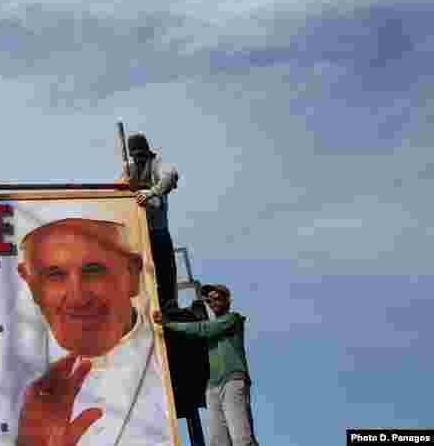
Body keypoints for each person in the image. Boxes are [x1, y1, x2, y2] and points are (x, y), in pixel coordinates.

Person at [17, 215, 172, 446]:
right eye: (55, 275)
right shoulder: (6, 383)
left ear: (132, 274)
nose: (77, 299)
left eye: (93, 271)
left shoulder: (169, 356)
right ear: (30, 283)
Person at [152, 284, 259, 446]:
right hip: (213, 387)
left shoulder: (232, 319)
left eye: (216, 299)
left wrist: (168, 323)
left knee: (241, 438)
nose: (213, 303)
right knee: (218, 441)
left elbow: (203, 329)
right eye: (209, 301)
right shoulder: (213, 326)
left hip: (231, 380)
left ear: (227, 301)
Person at [126, 132, 179, 310]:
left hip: (157, 230)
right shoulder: (131, 170)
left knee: (164, 270)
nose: (139, 159)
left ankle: (169, 304)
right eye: (135, 156)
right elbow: (118, 188)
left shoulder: (157, 164)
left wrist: (151, 192)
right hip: (139, 233)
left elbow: (170, 176)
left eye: (141, 155)